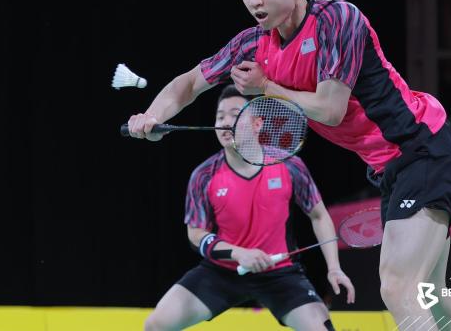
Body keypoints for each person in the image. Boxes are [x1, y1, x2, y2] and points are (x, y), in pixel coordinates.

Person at [128, 0, 451, 328]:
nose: (253, 1)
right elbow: (188, 83)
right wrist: (151, 116)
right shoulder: (253, 44)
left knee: (398, 287)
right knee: (431, 292)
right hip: (389, 166)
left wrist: (266, 87)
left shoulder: (338, 20)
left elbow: (330, 109)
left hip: (422, 145)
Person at [144, 85, 354, 331]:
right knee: (156, 325)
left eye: (235, 114)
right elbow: (196, 234)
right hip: (221, 272)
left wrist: (334, 268)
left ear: (257, 124)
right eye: (220, 116)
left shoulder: (288, 165)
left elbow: (319, 216)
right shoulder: (204, 175)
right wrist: (238, 254)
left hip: (280, 273)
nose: (225, 122)